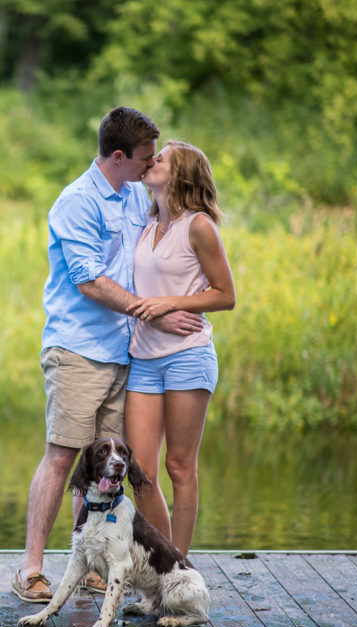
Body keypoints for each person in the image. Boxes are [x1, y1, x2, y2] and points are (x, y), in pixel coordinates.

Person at [12, 107, 204, 604]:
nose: (149, 165)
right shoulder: (76, 202)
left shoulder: (135, 193)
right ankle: (31, 570)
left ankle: (96, 566)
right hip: (77, 349)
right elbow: (90, 281)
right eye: (143, 159)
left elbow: (170, 242)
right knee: (61, 456)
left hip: (127, 352)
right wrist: (155, 314)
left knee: (107, 468)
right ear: (117, 156)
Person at [124, 141, 236, 558]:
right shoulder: (146, 222)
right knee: (142, 475)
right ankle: (163, 563)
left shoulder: (199, 226)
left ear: (181, 174)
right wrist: (152, 312)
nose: (152, 162)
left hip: (188, 355)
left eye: (162, 158)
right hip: (143, 359)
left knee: (179, 467)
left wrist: (172, 304)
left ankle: (178, 570)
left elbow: (226, 295)